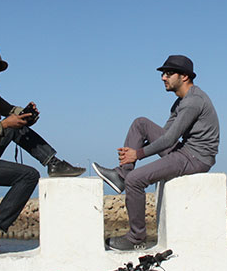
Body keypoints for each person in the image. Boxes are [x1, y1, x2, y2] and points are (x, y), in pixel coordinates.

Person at [0, 47, 85, 256]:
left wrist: (26, 113)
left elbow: (10, 110)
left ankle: (53, 163)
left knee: (17, 126)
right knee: (29, 176)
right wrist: (4, 124)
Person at [92, 55, 219, 250]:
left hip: (196, 158)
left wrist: (138, 154)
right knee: (140, 123)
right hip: (185, 151)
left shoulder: (193, 101)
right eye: (163, 74)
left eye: (168, 73)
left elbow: (169, 140)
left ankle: (136, 239)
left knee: (136, 180)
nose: (163, 78)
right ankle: (121, 175)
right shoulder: (179, 102)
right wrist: (139, 147)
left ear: (184, 77)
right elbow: (166, 135)